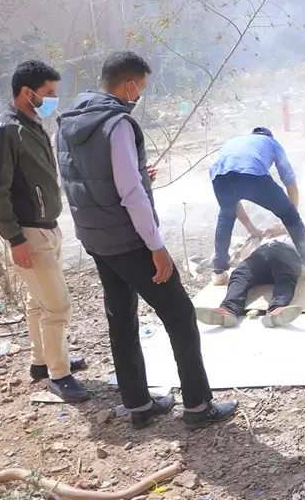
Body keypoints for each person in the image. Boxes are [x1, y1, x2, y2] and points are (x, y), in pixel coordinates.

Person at [56, 51, 237, 430]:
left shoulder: (70, 120)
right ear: (130, 85)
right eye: (141, 88)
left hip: (95, 238)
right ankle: (198, 407)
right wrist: (157, 247)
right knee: (179, 314)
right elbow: (131, 195)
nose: (140, 96)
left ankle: (137, 404)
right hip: (130, 240)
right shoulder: (117, 123)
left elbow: (84, 179)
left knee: (120, 317)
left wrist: (139, 174)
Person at [0, 61, 90, 402]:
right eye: (48, 93)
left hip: (47, 228)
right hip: (29, 235)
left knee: (38, 302)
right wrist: (14, 238)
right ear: (26, 92)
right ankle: (59, 375)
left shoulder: (31, 124)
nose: (53, 99)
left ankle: (41, 361)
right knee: (58, 307)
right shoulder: (7, 130)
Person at [208, 127, 305, 286]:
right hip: (253, 176)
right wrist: (289, 217)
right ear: (269, 136)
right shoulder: (272, 143)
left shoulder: (234, 142)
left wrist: (252, 229)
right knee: (291, 216)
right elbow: (290, 183)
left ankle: (219, 272)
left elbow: (234, 205)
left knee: (225, 217)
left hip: (220, 177)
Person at [196, 241, 303, 329]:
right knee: (241, 273)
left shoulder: (296, 233)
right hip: (260, 254)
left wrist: (280, 229)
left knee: (285, 274)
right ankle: (228, 309)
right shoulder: (263, 236)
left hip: (286, 253)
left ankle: (277, 309)